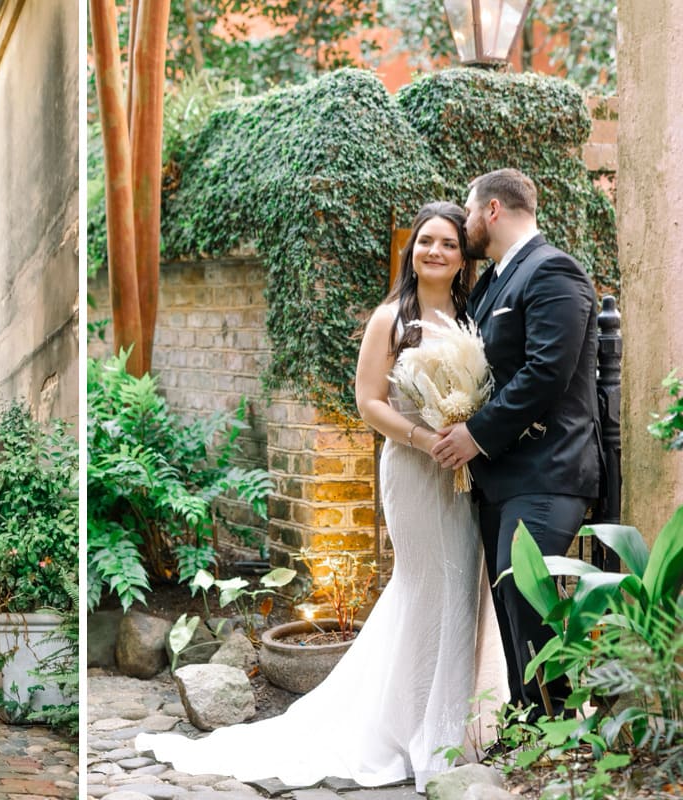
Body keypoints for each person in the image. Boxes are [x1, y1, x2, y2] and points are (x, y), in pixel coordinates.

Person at [136, 202, 508, 793]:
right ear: (413, 251)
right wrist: (424, 436)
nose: (435, 252)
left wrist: (464, 433)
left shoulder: (472, 316)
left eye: (448, 245)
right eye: (425, 242)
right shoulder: (392, 318)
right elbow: (369, 403)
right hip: (413, 469)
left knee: (460, 583)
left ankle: (447, 724)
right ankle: (410, 728)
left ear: (463, 258)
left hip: (460, 473)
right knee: (425, 583)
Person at [432, 168, 601, 717]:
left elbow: (546, 371)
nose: (465, 219)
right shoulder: (492, 281)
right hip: (499, 479)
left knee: (528, 599)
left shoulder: (554, 271)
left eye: (468, 208)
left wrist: (475, 434)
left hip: (548, 472)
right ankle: (530, 726)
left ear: (494, 210)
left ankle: (560, 730)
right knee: (509, 609)